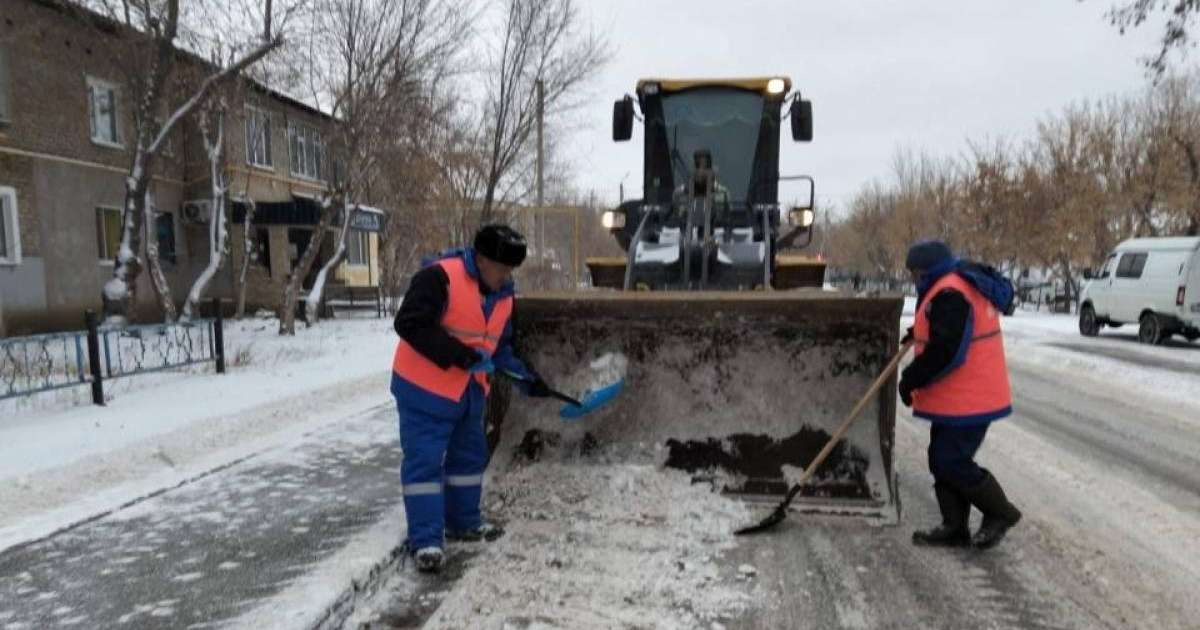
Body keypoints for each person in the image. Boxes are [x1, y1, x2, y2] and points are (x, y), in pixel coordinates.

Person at [391, 224, 552, 573]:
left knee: (468, 460)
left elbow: (500, 348)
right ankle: (427, 541)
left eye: (511, 270)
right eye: (501, 268)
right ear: (480, 259)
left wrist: (526, 379)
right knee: (425, 464)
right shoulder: (439, 277)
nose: (506, 276)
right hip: (424, 391)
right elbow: (409, 323)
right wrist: (459, 355)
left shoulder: (505, 295)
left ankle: (463, 522)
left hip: (468, 394)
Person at [898, 240, 1022, 550]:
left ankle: (1000, 513)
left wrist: (910, 378)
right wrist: (919, 332)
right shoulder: (950, 286)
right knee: (941, 458)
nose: (914, 279)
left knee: (950, 459)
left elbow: (947, 350)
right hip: (959, 398)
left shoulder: (950, 292)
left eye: (914, 273)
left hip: (972, 397)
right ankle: (954, 527)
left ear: (926, 270)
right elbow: (948, 329)